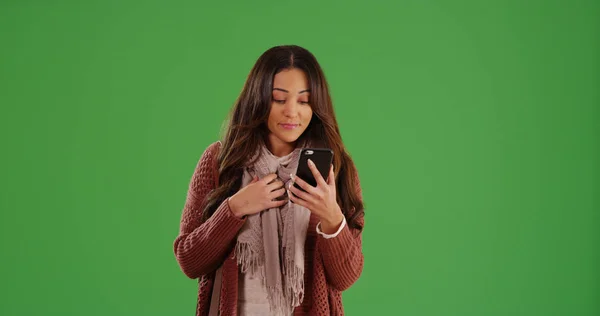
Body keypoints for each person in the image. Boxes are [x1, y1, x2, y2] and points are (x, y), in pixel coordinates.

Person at [173, 45, 365, 316]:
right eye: (278, 98)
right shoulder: (220, 162)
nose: (291, 112)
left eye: (304, 100)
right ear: (259, 99)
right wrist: (234, 209)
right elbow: (190, 261)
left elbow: (345, 277)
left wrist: (332, 218)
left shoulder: (336, 169)